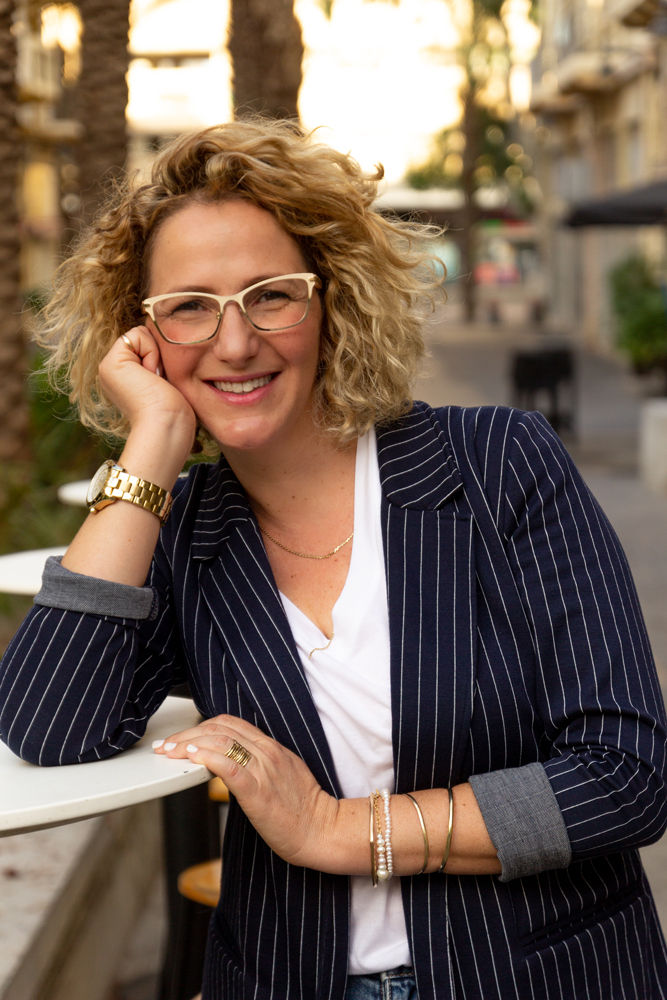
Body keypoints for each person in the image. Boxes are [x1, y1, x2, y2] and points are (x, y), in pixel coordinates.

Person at [0, 118, 666, 1000]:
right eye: (188, 307)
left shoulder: (498, 465)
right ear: (141, 336)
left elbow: (623, 777)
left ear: (331, 301)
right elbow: (48, 727)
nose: (234, 343)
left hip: (538, 976)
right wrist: (152, 442)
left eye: (270, 295)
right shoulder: (185, 532)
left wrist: (338, 831)